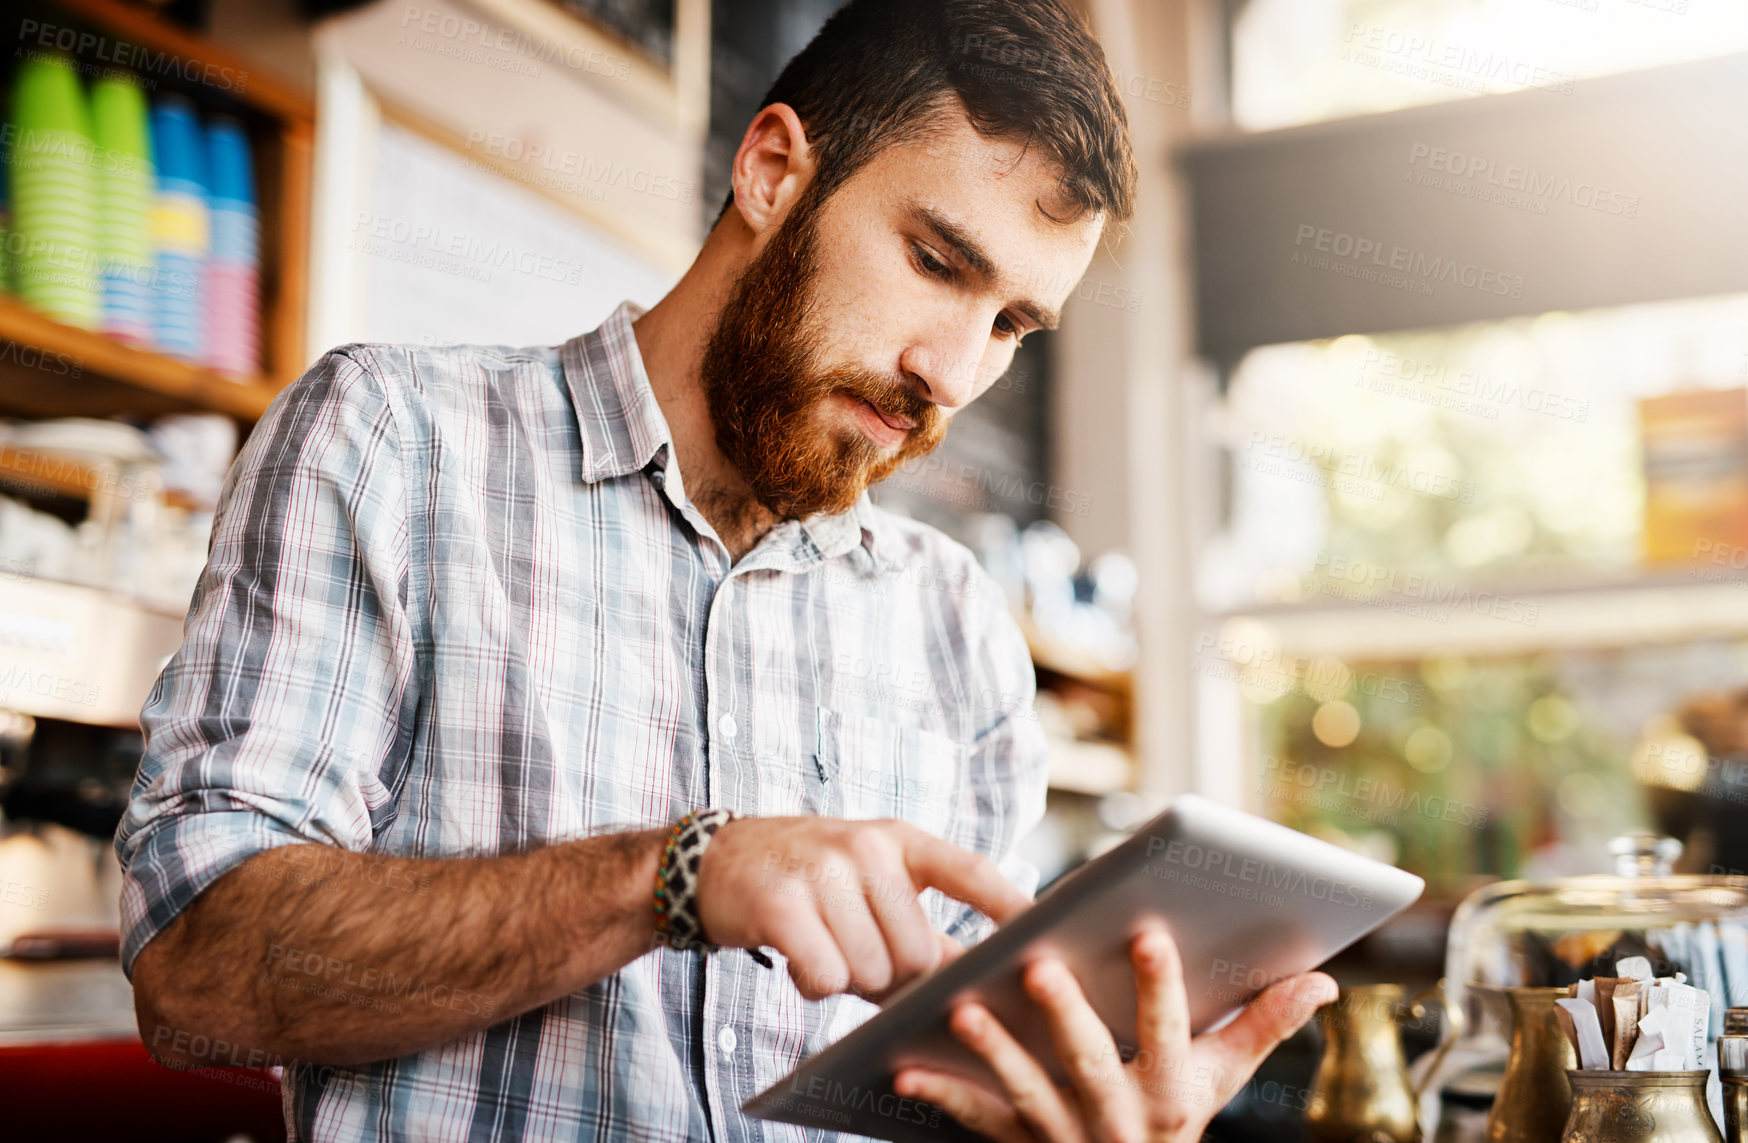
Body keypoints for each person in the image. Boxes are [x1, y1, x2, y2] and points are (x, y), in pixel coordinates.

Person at [117, 0, 1335, 1139]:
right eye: (936, 261)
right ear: (771, 171)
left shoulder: (954, 625)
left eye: (1011, 325)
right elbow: (194, 973)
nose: (953, 375)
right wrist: (671, 876)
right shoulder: (394, 441)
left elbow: (947, 1080)